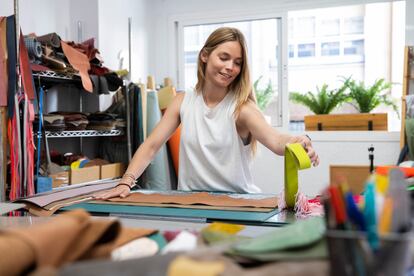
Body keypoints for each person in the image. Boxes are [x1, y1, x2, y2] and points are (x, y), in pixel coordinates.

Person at [94, 27, 319, 200]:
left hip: (236, 203)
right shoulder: (182, 101)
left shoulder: (242, 108)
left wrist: (299, 140)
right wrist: (125, 182)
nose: (230, 67)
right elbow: (151, 145)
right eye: (224, 57)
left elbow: (276, 141)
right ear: (204, 55)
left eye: (238, 63)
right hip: (190, 202)